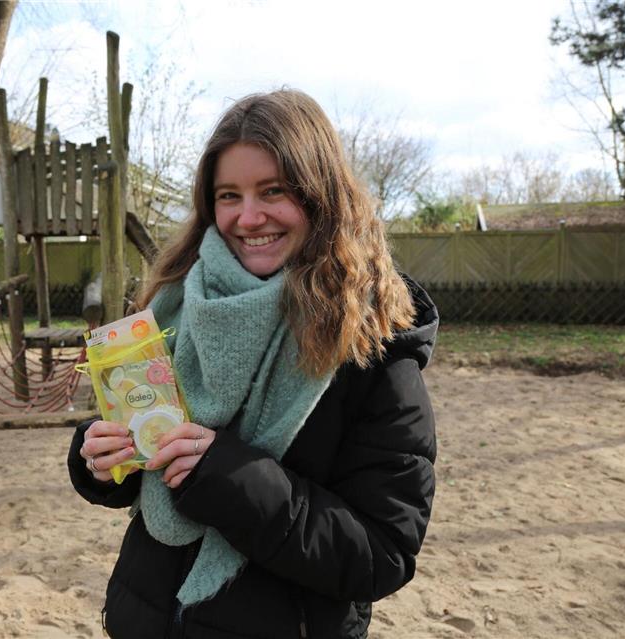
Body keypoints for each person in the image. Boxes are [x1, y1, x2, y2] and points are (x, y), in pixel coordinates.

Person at [67, 89, 438, 639]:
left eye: (273, 191)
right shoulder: (171, 306)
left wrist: (227, 478)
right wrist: (97, 459)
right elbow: (141, 466)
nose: (248, 216)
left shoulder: (373, 352)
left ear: (320, 196)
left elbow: (381, 554)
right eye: (228, 195)